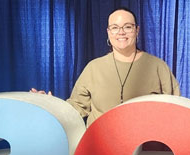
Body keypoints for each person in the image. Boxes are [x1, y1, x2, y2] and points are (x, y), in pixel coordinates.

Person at [32, 7, 180, 126]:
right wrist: (49, 104)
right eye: (115, 27)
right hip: (100, 150)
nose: (121, 32)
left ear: (137, 30)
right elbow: (76, 108)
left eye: (127, 27)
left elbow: (176, 110)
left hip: (145, 151)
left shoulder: (158, 67)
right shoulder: (93, 68)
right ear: (108, 32)